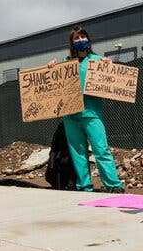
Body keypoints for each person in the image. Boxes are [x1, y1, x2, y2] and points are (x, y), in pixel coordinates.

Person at [47, 26, 124, 193]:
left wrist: (110, 67)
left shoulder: (98, 61)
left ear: (88, 40)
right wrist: (51, 68)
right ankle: (84, 187)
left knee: (101, 149)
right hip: (71, 116)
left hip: (92, 113)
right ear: (72, 43)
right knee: (78, 153)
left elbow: (111, 80)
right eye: (77, 38)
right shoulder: (65, 64)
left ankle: (114, 185)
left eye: (83, 37)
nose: (81, 40)